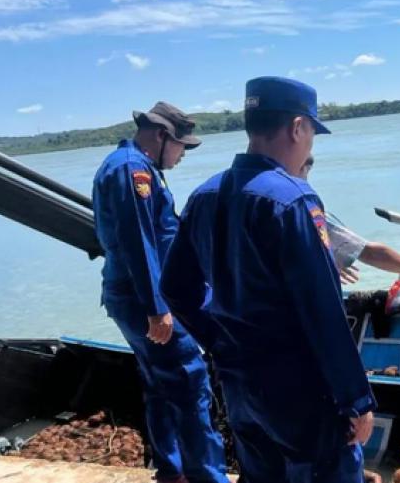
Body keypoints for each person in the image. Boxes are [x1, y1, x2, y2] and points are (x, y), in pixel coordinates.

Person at [160, 77, 375, 483]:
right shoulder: (293, 199)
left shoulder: (204, 195)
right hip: (301, 388)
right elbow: (323, 308)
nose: (311, 144)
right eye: (312, 132)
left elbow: (175, 288)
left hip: (241, 384)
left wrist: (220, 341)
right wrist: (356, 400)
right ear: (297, 128)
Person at [91, 102, 228, 483]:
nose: (183, 154)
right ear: (161, 136)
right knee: (189, 379)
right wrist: (157, 307)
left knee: (161, 382)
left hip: (133, 296)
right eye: (182, 146)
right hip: (145, 300)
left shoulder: (128, 164)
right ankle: (207, 477)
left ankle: (174, 471)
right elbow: (139, 242)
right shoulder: (133, 171)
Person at [299, 156, 400, 288]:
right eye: (307, 171)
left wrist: (325, 259)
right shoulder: (302, 207)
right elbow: (370, 253)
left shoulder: (278, 202)